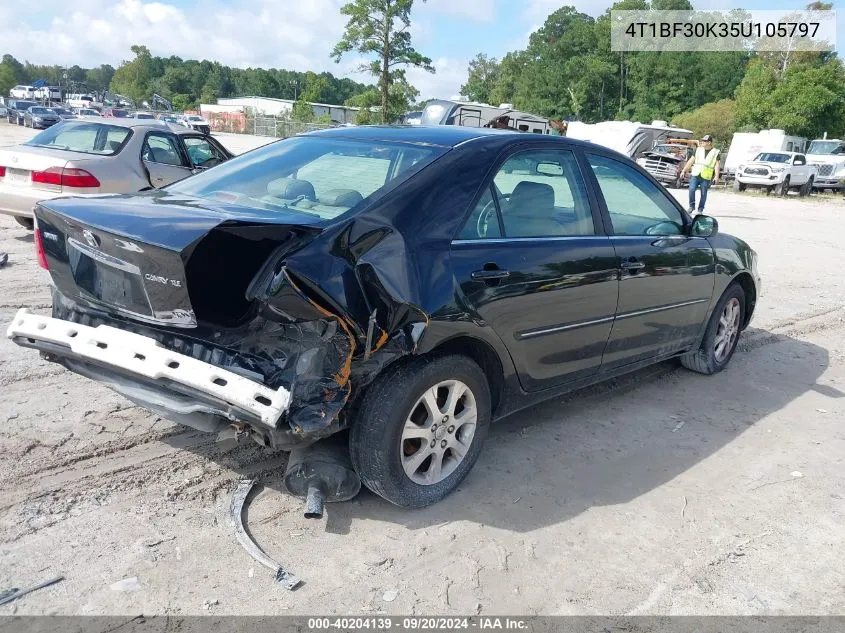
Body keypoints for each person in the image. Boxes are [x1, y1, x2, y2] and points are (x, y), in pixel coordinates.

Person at [681, 134, 720, 214]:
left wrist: (716, 176)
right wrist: (684, 170)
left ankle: (700, 209)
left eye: (704, 141)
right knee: (691, 189)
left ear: (709, 142)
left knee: (703, 194)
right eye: (702, 141)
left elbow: (717, 165)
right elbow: (691, 161)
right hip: (695, 174)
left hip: (706, 176)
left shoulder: (715, 152)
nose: (702, 142)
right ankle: (691, 206)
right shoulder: (698, 150)